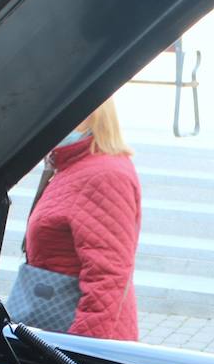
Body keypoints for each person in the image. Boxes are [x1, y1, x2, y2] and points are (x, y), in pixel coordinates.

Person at [21, 98, 141, 340]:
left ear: (92, 116)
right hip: (58, 327)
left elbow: (107, 279)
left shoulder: (105, 175)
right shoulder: (72, 166)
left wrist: (79, 352)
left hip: (80, 339)